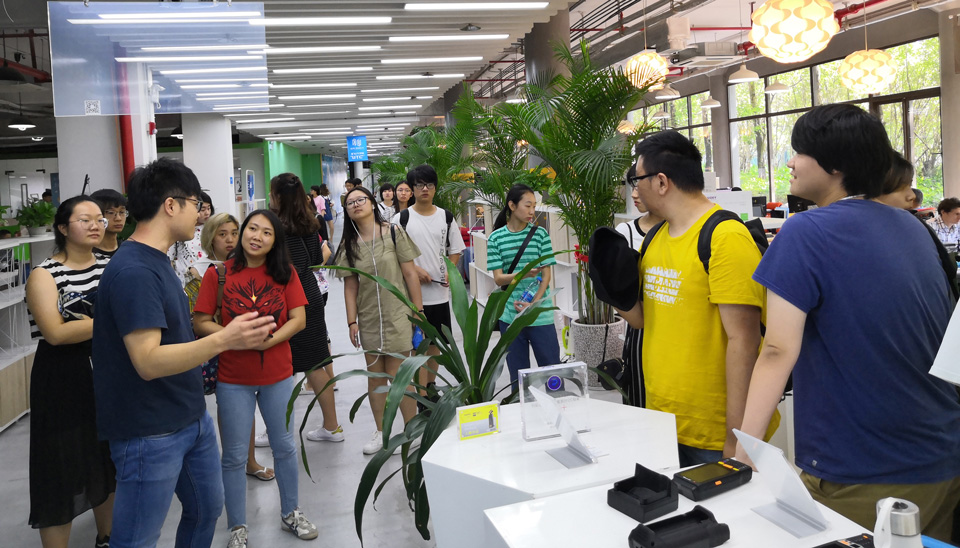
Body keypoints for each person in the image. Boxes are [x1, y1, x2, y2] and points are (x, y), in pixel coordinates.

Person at [734, 104, 960, 542]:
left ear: (835, 165)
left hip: (865, 467)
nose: (790, 163)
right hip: (939, 455)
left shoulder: (806, 232)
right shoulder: (912, 227)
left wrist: (742, 457)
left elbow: (777, 350)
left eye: (799, 152)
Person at [92, 158, 276, 548]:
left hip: (188, 416)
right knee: (138, 537)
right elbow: (148, 361)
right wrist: (226, 339)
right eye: (196, 204)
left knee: (206, 509)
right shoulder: (135, 272)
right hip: (149, 429)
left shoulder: (158, 260)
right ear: (171, 205)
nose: (200, 213)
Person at [613, 130, 777, 466]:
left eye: (637, 180)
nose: (635, 190)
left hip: (713, 432)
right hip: (663, 421)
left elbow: (744, 342)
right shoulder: (655, 237)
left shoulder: (725, 237)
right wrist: (610, 287)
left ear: (661, 182)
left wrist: (736, 438)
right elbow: (643, 320)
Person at [194, 209, 318, 547]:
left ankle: (291, 512)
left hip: (278, 375)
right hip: (233, 378)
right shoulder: (218, 274)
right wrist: (232, 337)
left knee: (284, 447)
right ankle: (237, 526)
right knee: (234, 455)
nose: (257, 236)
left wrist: (269, 340)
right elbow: (201, 321)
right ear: (242, 232)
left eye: (266, 232)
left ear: (275, 240)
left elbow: (299, 319)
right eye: (252, 228)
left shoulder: (285, 273)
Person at [27, 196, 114, 548]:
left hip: (108, 370)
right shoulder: (44, 274)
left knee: (105, 458)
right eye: (85, 219)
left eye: (99, 218)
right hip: (62, 377)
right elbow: (55, 333)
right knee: (59, 466)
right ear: (63, 228)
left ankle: (107, 537)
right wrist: (112, 321)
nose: (96, 225)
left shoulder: (112, 264)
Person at [334, 185, 424, 455]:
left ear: (372, 203)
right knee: (375, 379)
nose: (356, 204)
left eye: (360, 199)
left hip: (398, 314)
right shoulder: (349, 245)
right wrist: (351, 321)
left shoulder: (394, 233)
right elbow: (350, 286)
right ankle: (381, 432)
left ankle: (410, 430)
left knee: (400, 377)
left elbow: (410, 274)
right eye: (350, 202)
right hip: (369, 318)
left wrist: (418, 311)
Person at [192, 212, 276, 481]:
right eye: (222, 234)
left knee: (244, 406)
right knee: (227, 408)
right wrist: (231, 336)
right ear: (210, 238)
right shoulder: (206, 270)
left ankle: (248, 461)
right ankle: (231, 461)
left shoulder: (250, 265)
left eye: (233, 233)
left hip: (245, 350)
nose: (229, 239)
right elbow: (199, 319)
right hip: (218, 348)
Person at [270, 173, 343, 443]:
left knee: (280, 366)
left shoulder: (274, 227)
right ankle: (332, 426)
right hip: (311, 293)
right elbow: (315, 260)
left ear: (278, 196)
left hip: (286, 297)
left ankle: (277, 430)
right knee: (316, 362)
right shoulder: (311, 222)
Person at [391, 165, 465, 405]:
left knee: (436, 344)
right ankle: (420, 395)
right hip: (411, 296)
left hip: (439, 293)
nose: (425, 189)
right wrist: (414, 269)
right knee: (417, 345)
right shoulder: (401, 219)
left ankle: (430, 387)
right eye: (420, 185)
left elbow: (456, 249)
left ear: (435, 188)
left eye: (429, 184)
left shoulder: (446, 217)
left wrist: (450, 270)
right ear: (412, 189)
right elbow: (392, 255)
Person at [486, 184, 559, 389]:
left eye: (534, 206)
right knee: (518, 378)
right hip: (510, 316)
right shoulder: (496, 238)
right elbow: (499, 279)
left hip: (540, 314)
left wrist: (534, 303)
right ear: (512, 205)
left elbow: (546, 276)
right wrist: (523, 274)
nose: (532, 211)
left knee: (553, 374)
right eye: (528, 206)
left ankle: (556, 408)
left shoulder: (540, 235)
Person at [614, 165, 665, 408]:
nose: (634, 194)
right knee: (640, 400)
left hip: (678, 327)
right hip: (641, 329)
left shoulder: (685, 232)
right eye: (632, 186)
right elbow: (618, 290)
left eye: (639, 185)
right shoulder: (624, 232)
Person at [169, 191, 214, 311]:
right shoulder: (181, 231)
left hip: (206, 278)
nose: (206, 213)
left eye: (209, 208)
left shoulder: (211, 230)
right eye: (202, 209)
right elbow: (170, 258)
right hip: (185, 281)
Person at [90, 189, 128, 258]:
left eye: (122, 212)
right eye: (111, 212)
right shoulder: (87, 255)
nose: (118, 218)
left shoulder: (128, 250)